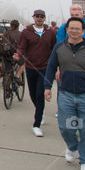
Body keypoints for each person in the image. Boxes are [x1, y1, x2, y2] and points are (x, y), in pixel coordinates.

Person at [44, 16, 85, 170]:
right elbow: (51, 66)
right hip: (65, 93)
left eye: (77, 29)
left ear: (82, 32)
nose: (74, 31)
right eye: (71, 28)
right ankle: (72, 146)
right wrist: (47, 87)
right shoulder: (59, 47)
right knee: (65, 127)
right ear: (66, 30)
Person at [16, 9, 55, 137]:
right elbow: (22, 46)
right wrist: (18, 54)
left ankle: (36, 125)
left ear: (44, 18)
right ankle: (40, 111)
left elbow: (54, 49)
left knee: (39, 94)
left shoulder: (50, 33)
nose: (39, 18)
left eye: (41, 16)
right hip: (30, 67)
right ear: (33, 17)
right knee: (32, 94)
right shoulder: (26, 32)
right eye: (37, 16)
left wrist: (56, 65)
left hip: (44, 68)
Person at [1, 19, 23, 86]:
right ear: (18, 26)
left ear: (10, 25)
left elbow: (2, 43)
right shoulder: (20, 34)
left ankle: (7, 91)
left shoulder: (6, 33)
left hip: (6, 54)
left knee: (8, 71)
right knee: (23, 63)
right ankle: (17, 76)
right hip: (16, 55)